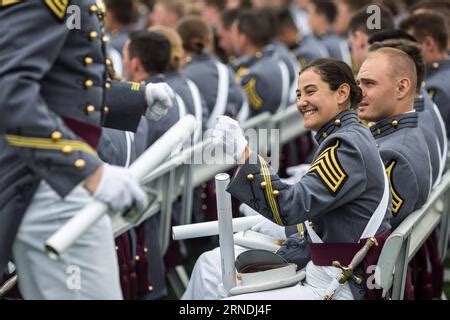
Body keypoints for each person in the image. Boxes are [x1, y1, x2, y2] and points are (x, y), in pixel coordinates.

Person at [0, 0, 174, 299]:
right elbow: (10, 93)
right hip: (50, 181)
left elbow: (63, 87)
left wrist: (136, 97)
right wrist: (88, 171)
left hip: (52, 178)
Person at [184, 59, 391, 300]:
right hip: (325, 270)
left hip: (336, 284)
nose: (301, 102)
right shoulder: (348, 136)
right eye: (299, 94)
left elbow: (290, 207)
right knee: (209, 267)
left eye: (311, 91)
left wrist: (244, 153)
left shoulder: (345, 147)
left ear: (342, 93)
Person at [357, 47, 431, 228]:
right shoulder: (402, 137)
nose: (358, 92)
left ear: (401, 88)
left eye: (369, 84)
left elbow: (369, 230)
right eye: (358, 83)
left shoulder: (394, 155)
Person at [176, 15, 249, 126]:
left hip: (202, 140)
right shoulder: (224, 69)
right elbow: (241, 106)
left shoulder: (181, 77)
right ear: (209, 40)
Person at [400, 12, 450, 141]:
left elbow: (428, 140)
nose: (402, 54)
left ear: (428, 43)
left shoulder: (434, 89)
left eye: (408, 47)